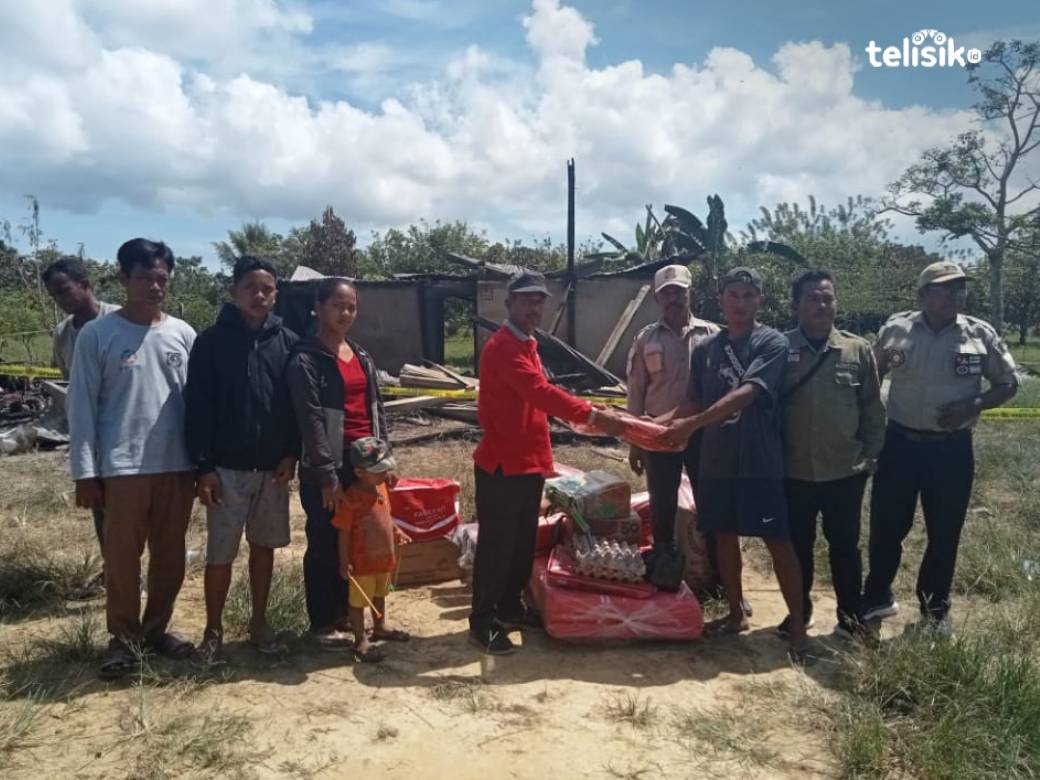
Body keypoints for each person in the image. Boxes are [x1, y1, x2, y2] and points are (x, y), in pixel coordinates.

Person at [470, 270, 626, 655]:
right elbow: (539, 392)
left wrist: (590, 411)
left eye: (539, 300)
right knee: (497, 546)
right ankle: (482, 620)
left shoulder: (529, 344)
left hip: (527, 462)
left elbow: (539, 398)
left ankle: (509, 605)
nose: (534, 307)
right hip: (502, 465)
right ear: (509, 304)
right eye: (526, 299)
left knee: (523, 543)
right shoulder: (503, 347)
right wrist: (591, 415)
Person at [657, 266, 809, 661]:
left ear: (759, 300)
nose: (740, 303)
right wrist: (651, 426)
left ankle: (797, 624)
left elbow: (747, 393)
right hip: (717, 461)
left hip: (759, 462)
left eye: (748, 295)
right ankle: (735, 611)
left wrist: (692, 425)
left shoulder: (771, 343)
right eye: (733, 295)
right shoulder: (708, 348)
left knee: (777, 540)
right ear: (720, 300)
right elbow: (692, 398)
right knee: (722, 535)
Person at [862, 261, 1018, 635]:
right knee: (886, 526)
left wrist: (974, 405)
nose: (954, 296)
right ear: (923, 294)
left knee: (945, 531)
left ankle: (935, 611)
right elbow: (871, 376)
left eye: (959, 289)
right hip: (899, 445)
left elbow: (1008, 383)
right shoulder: (896, 329)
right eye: (945, 289)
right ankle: (878, 597)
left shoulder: (979, 335)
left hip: (951, 451)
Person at [68, 238, 197, 678]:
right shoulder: (98, 335)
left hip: (177, 466)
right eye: (145, 277)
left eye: (162, 278)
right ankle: (121, 640)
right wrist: (85, 473)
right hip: (121, 470)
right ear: (123, 279)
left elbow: (198, 405)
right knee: (122, 561)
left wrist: (203, 464)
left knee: (170, 557)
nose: (155, 286)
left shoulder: (182, 334)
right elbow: (81, 407)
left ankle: (157, 630)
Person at [184, 256, 299, 665]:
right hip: (226, 471)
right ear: (233, 291)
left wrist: (292, 453)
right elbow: (198, 408)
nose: (260, 295)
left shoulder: (288, 342)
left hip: (273, 470)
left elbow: (294, 407)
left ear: (276, 294)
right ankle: (212, 633)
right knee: (220, 555)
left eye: (267, 288)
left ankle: (259, 624)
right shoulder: (211, 342)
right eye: (251, 287)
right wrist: (204, 468)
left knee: (264, 548)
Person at [780, 270, 886, 640]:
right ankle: (799, 611)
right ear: (795, 306)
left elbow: (872, 408)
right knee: (798, 546)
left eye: (828, 298)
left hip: (845, 470)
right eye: (812, 298)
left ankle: (849, 615)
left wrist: (871, 456)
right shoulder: (780, 348)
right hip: (793, 471)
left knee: (845, 547)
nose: (822, 305)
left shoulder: (857, 350)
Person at [288, 277, 390, 650]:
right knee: (326, 541)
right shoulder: (306, 358)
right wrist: (327, 475)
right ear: (318, 307)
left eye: (351, 307)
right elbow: (310, 421)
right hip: (327, 466)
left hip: (364, 465)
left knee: (362, 540)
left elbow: (376, 408)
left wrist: (384, 459)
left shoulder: (360, 355)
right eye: (338, 306)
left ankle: (355, 617)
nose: (346, 313)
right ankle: (323, 621)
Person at [625, 264, 719, 558]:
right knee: (662, 502)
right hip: (658, 435)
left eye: (679, 292)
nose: (673, 299)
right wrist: (635, 442)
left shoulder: (713, 335)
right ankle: (665, 564)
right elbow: (636, 392)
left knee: (711, 502)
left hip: (703, 432)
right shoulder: (646, 339)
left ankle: (718, 572)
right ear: (657, 299)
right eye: (666, 294)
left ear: (691, 293)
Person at [42, 257, 120, 596]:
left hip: (126, 430)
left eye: (65, 290)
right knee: (101, 506)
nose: (62, 300)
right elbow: (70, 384)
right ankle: (114, 569)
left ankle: (132, 571)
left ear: (86, 285)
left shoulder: (119, 320)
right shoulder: (63, 334)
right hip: (91, 434)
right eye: (55, 296)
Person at [333, 437, 412, 663]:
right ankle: (360, 639)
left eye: (386, 468)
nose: (384, 474)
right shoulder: (352, 498)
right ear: (358, 472)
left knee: (380, 595)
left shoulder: (381, 488)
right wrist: (343, 561)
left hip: (383, 560)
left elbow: (385, 516)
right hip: (361, 564)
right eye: (378, 471)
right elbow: (343, 531)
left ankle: (380, 626)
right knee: (358, 603)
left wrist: (397, 531)